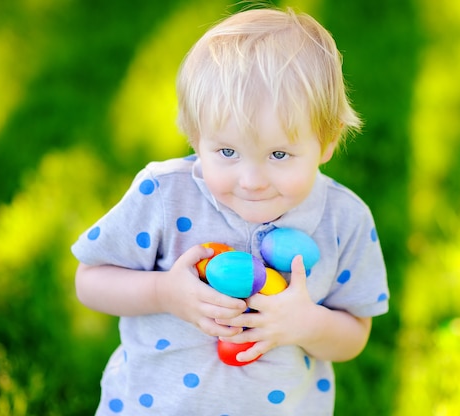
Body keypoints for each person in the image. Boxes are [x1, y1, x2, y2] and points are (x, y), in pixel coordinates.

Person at [72, 6, 389, 415]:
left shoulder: (344, 221)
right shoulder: (164, 195)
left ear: (327, 143)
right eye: (227, 151)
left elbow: (355, 333)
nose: (252, 179)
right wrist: (164, 293)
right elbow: (90, 281)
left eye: (279, 153)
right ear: (194, 137)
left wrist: (307, 324)